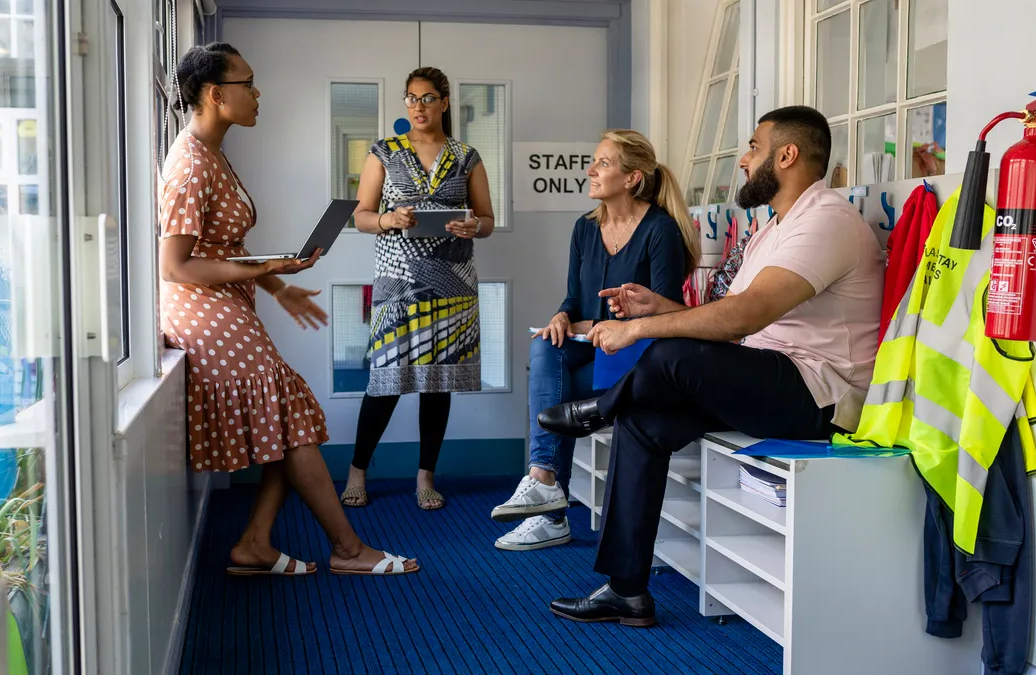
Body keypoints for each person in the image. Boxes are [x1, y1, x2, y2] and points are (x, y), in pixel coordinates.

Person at [538, 105, 883, 625]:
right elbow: (733, 326)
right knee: (646, 417)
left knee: (667, 355)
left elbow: (742, 315)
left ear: (786, 155)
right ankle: (626, 589)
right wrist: (661, 309)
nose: (743, 160)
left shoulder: (827, 220)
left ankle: (600, 408)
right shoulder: (776, 227)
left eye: (753, 147)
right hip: (764, 373)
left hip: (819, 395)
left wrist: (638, 329)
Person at [158, 42, 417, 576]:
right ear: (214, 94)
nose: (257, 94)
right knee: (291, 415)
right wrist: (266, 272)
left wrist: (278, 286)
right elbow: (176, 266)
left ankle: (256, 542)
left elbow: (221, 250)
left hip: (226, 302)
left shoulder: (211, 152)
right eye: (246, 84)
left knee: (288, 416)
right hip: (201, 310)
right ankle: (346, 549)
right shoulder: (190, 165)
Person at [490, 130, 700, 552]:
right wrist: (561, 316)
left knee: (552, 383)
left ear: (631, 178)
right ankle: (544, 483)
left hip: (639, 359)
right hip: (592, 349)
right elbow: (574, 298)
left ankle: (548, 507)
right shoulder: (585, 228)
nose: (591, 170)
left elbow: (673, 314)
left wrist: (625, 315)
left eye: (603, 163)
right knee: (544, 347)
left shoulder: (660, 230)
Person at [339, 66, 496, 511]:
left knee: (437, 383)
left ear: (445, 103)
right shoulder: (384, 152)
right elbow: (362, 215)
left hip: (453, 284)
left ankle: (425, 476)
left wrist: (472, 226)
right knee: (385, 382)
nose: (418, 106)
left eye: (427, 98)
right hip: (399, 282)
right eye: (411, 98)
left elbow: (486, 221)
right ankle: (357, 472)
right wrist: (389, 219)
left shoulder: (467, 156)